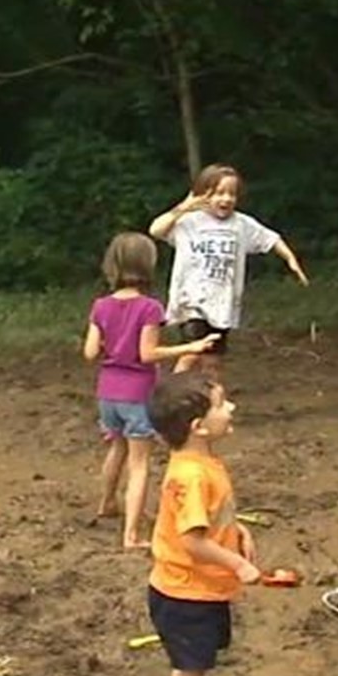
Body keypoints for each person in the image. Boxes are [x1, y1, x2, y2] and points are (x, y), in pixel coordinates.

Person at [83, 231, 219, 548]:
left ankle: (106, 503)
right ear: (148, 266)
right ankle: (131, 534)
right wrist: (191, 346)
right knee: (139, 462)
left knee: (116, 448)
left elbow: (90, 353)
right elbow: (147, 354)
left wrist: (112, 345)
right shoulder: (150, 308)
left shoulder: (100, 306)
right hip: (136, 393)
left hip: (107, 392)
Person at [145, 371, 259, 676]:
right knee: (191, 674)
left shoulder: (199, 464)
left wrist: (236, 528)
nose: (231, 407)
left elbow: (210, 518)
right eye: (222, 404)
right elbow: (193, 540)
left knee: (186, 667)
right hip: (187, 595)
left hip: (187, 589)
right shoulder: (192, 476)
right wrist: (238, 564)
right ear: (199, 427)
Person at [148, 163, 309, 383]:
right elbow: (155, 229)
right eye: (219, 193)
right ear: (203, 194)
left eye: (232, 194)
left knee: (213, 360)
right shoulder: (188, 222)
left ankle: (215, 399)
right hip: (191, 301)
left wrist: (291, 259)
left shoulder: (242, 224)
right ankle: (170, 397)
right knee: (192, 352)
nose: (226, 199)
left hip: (222, 304)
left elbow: (271, 239)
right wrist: (185, 206)